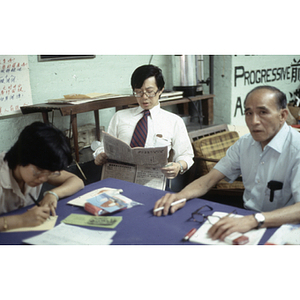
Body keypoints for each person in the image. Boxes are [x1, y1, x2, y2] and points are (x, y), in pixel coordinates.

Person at [153, 85, 300, 241]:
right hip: (247, 220)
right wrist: (180, 196)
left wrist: (254, 220)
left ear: (283, 115)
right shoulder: (244, 144)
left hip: (283, 227)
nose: (254, 121)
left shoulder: (296, 149)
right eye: (249, 113)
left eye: (263, 112)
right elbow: (210, 179)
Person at [94, 64, 194, 179]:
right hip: (119, 177)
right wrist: (100, 155)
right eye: (138, 92)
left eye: (149, 91)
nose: (144, 97)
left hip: (153, 180)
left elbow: (186, 155)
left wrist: (178, 166)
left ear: (161, 90)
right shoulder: (119, 117)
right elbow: (104, 148)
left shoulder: (174, 121)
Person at [0, 121, 84, 231]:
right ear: (22, 156)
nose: (44, 179)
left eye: (50, 173)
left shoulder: (41, 168)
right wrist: (22, 220)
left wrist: (53, 194)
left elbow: (77, 181)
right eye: (39, 171)